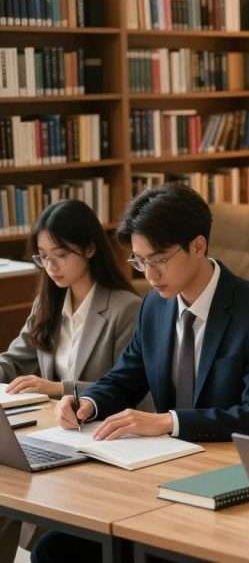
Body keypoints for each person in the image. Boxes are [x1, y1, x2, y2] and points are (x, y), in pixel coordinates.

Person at [33, 185, 249, 563]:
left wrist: (167, 422)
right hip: (169, 470)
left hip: (238, 475)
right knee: (55, 549)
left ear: (199, 247)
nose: (150, 275)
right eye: (139, 262)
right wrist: (87, 403)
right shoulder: (155, 306)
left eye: (158, 260)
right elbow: (126, 375)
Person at [0, 200, 139, 563]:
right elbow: (13, 362)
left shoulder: (126, 308)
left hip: (98, 444)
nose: (51, 266)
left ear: (90, 248)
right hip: (46, 436)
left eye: (60, 254)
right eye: (43, 257)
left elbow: (130, 390)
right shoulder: (47, 302)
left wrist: (58, 389)